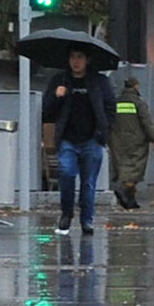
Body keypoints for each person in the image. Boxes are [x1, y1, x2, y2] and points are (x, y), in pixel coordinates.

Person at [42, 47, 116, 235]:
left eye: (80, 57)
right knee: (66, 174)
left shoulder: (100, 82)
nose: (76, 62)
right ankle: (66, 213)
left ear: (87, 60)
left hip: (92, 139)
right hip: (67, 140)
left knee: (88, 182)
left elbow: (110, 108)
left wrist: (103, 133)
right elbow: (47, 111)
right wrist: (57, 97)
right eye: (72, 57)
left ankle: (87, 219)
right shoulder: (59, 81)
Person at [110, 76, 154, 210]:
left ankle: (130, 201)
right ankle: (123, 190)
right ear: (136, 86)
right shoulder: (138, 102)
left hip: (117, 140)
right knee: (134, 170)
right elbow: (146, 122)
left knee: (122, 166)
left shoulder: (116, 101)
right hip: (136, 140)